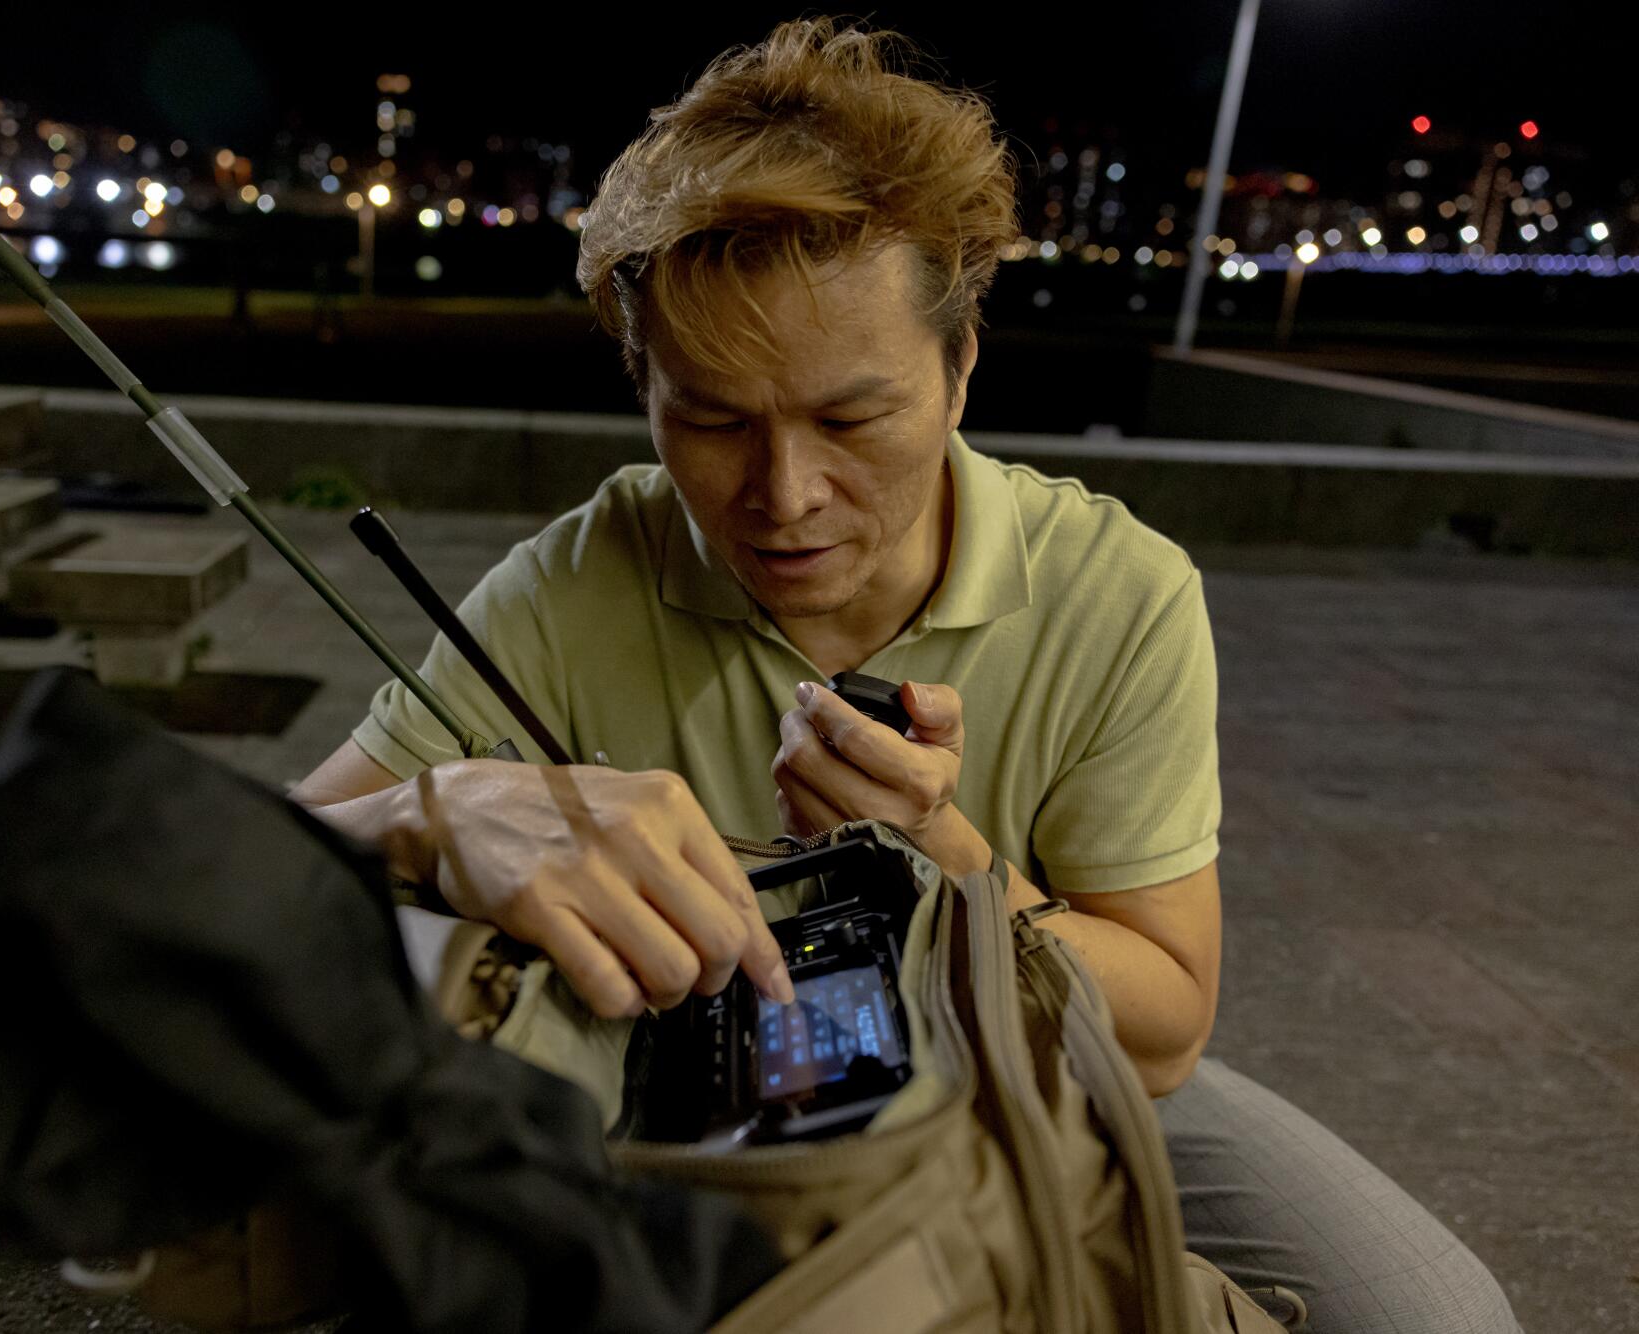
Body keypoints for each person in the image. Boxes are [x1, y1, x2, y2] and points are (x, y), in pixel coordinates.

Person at [295, 19, 1518, 1333]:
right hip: (678, 1085)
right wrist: (436, 813)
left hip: (1031, 1056)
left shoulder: (1118, 588)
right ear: (642, 384)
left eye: (850, 417)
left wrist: (942, 854)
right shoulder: (575, 576)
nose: (782, 496)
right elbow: (274, 861)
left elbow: (1163, 1029)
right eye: (710, 420)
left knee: (1439, 1315)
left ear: (961, 364)